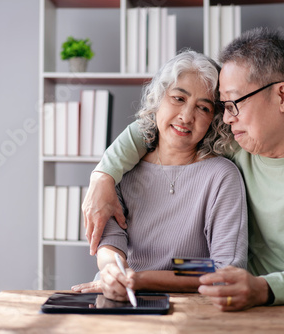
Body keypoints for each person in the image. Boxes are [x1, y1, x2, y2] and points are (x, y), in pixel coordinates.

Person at [82, 27, 284, 310]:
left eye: (233, 104)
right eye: (223, 106)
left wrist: (262, 288)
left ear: (282, 96)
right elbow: (157, 128)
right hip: (247, 304)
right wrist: (103, 175)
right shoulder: (236, 140)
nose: (227, 118)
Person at [72, 50, 248, 301]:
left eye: (203, 107)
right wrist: (112, 270)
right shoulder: (123, 171)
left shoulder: (221, 177)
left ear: (213, 119)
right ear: (158, 99)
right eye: (178, 98)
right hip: (118, 297)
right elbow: (111, 244)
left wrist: (142, 279)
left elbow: (224, 267)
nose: (187, 117)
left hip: (188, 308)